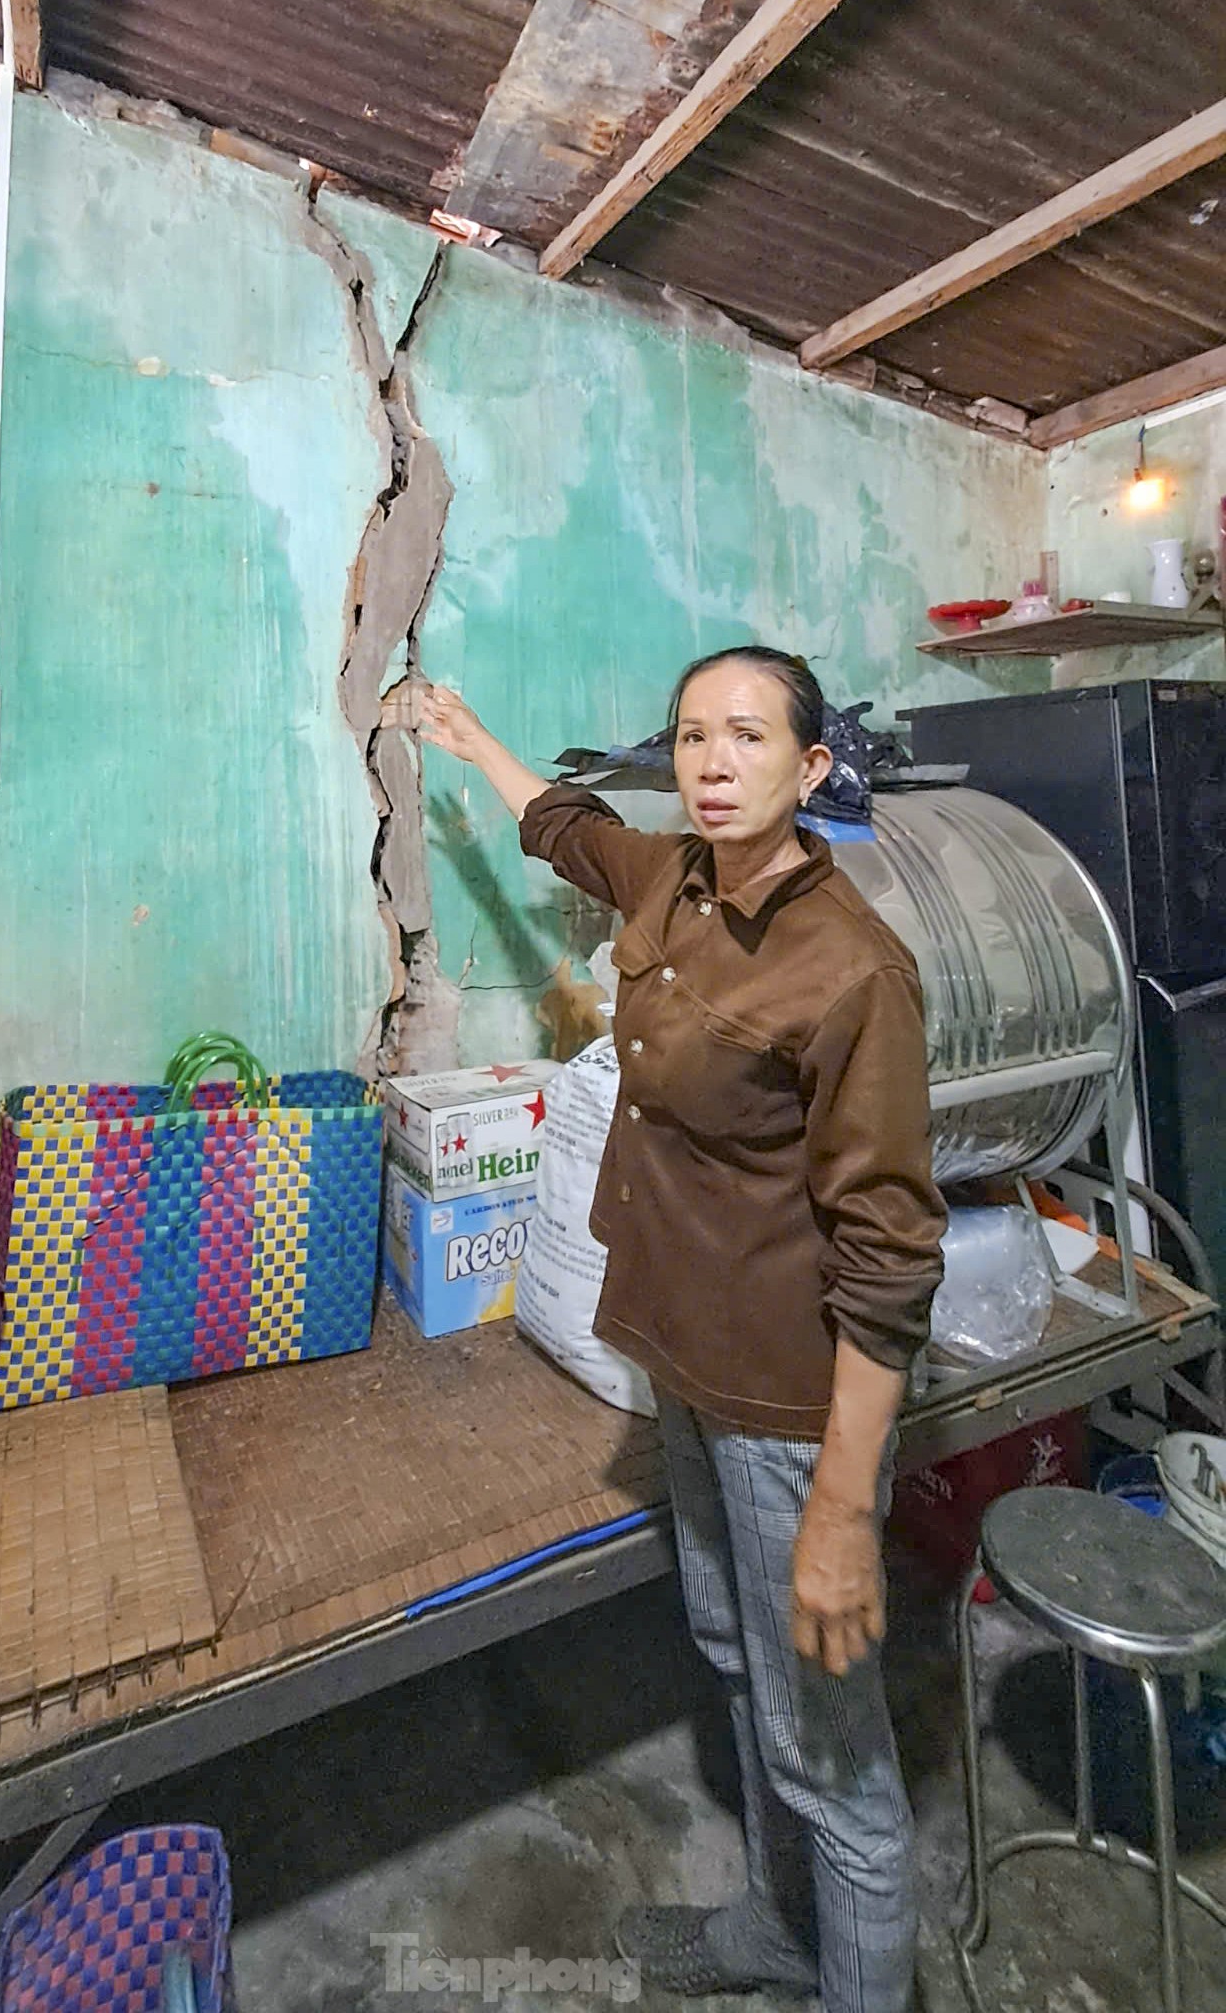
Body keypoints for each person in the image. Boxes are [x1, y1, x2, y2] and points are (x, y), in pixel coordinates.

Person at [420, 646, 946, 2013]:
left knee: (836, 1762)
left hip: (795, 1405)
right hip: (694, 1371)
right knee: (732, 1656)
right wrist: (467, 732)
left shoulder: (855, 974)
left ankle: (856, 1976)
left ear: (810, 769)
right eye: (692, 736)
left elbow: (893, 1261)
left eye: (749, 737)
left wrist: (841, 1507)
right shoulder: (672, 878)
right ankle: (781, 1933)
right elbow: (564, 828)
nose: (714, 762)